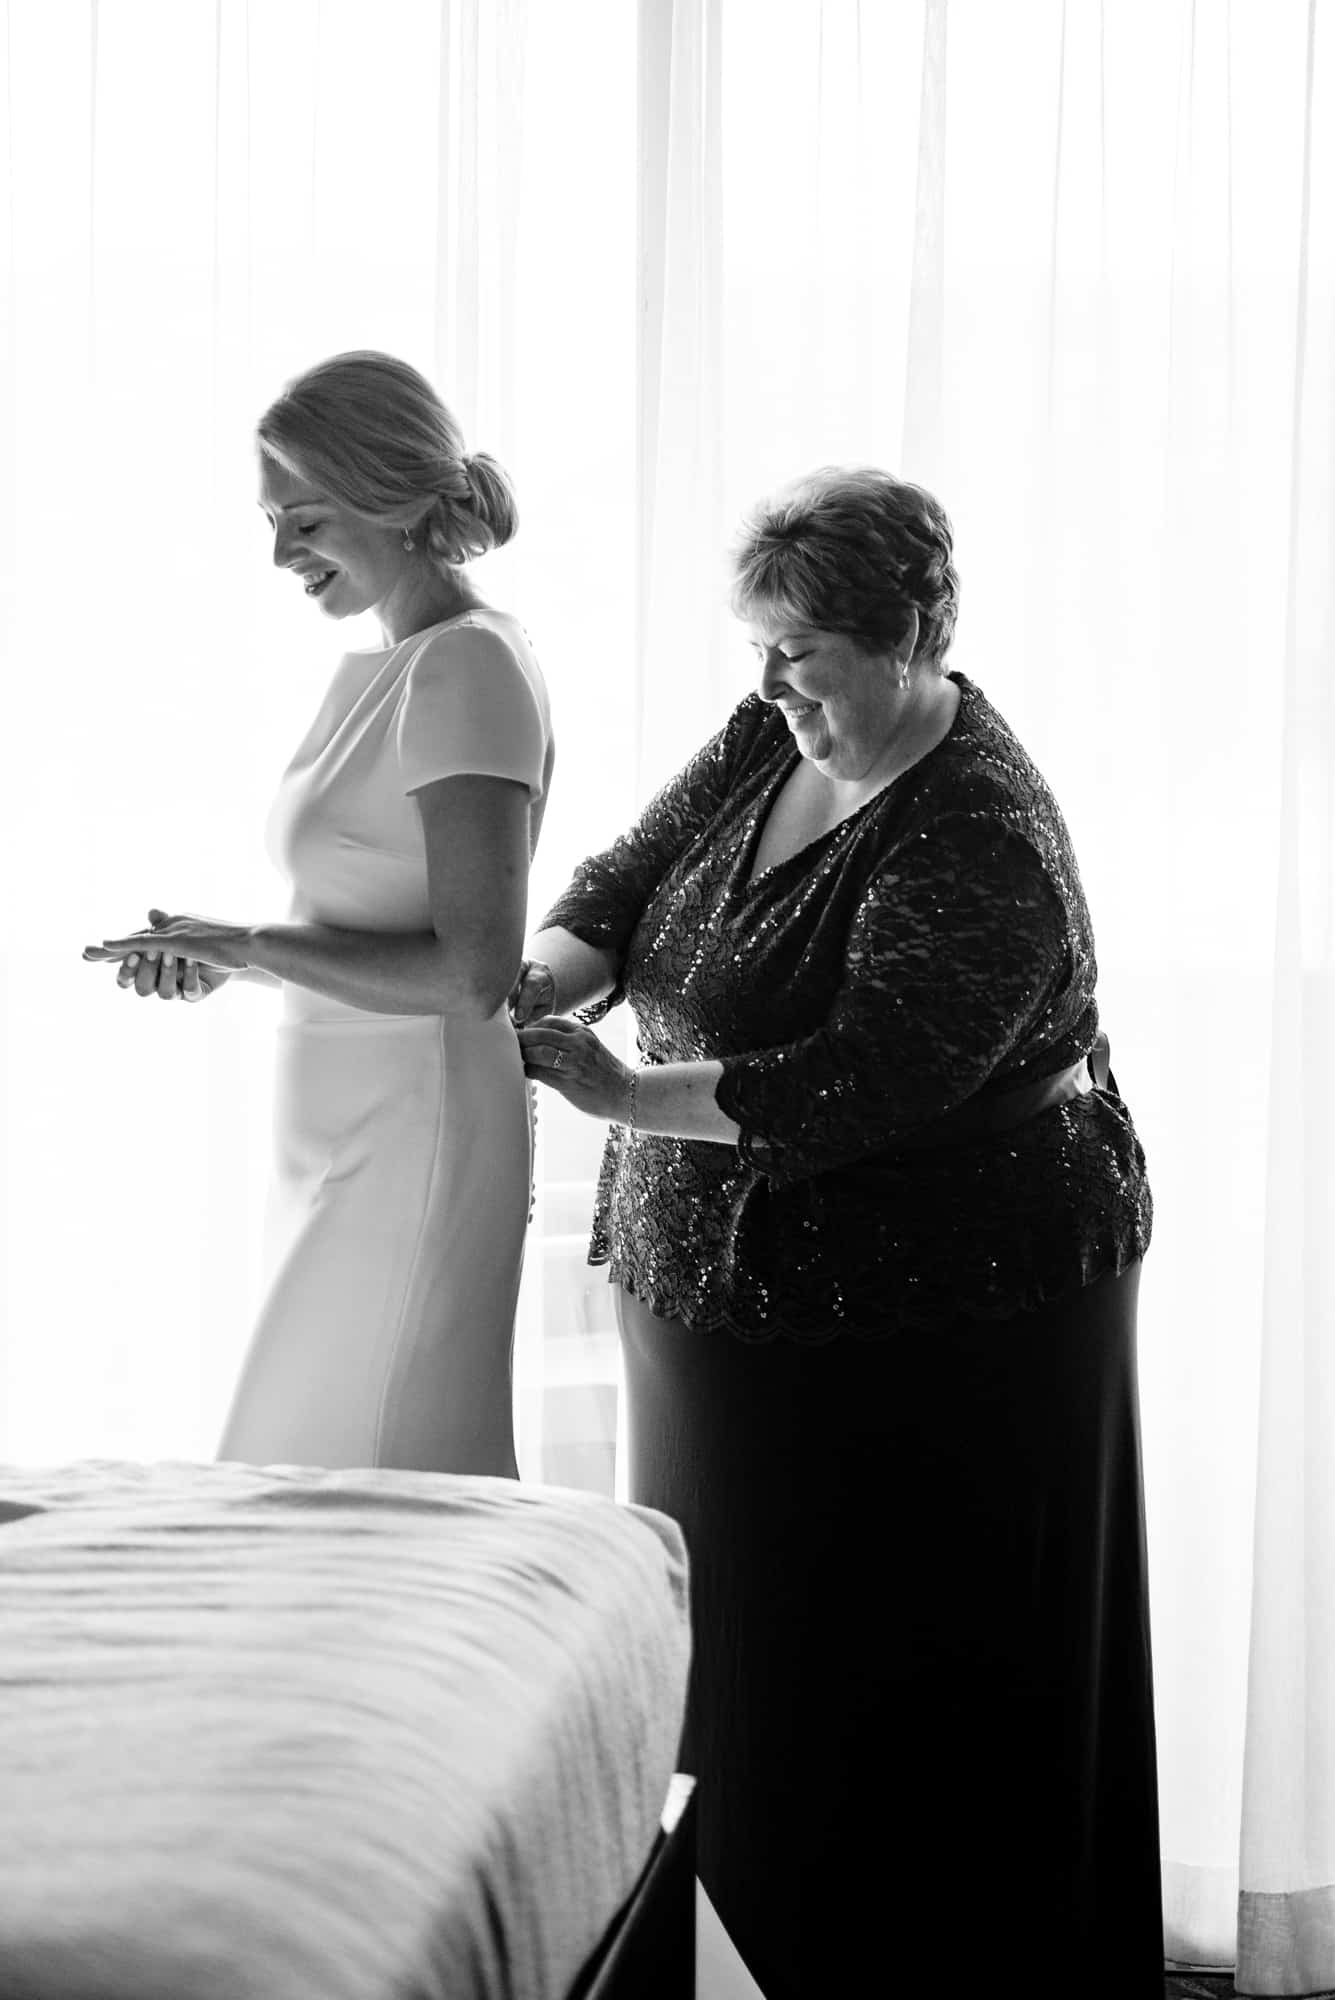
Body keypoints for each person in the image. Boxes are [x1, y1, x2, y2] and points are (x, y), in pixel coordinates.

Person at [511, 466, 1161, 1999]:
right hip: (715, 1289)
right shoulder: (768, 729)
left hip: (943, 1310)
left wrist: (617, 1086)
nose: (770, 683)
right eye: (760, 647)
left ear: (911, 632)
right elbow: (626, 871)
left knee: (891, 1667)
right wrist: (540, 975)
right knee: (740, 1658)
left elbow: (867, 1078)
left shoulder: (976, 824)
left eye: (801, 652)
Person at [84, 350, 554, 1478]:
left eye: (303, 519)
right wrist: (225, 956)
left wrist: (251, 943)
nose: (281, 553)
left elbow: (472, 973)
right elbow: (370, 921)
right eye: (271, 520)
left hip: (417, 1125)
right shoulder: (399, 663)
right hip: (347, 1121)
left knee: (370, 1465)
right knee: (314, 1458)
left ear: (394, 501)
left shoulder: (468, 668)